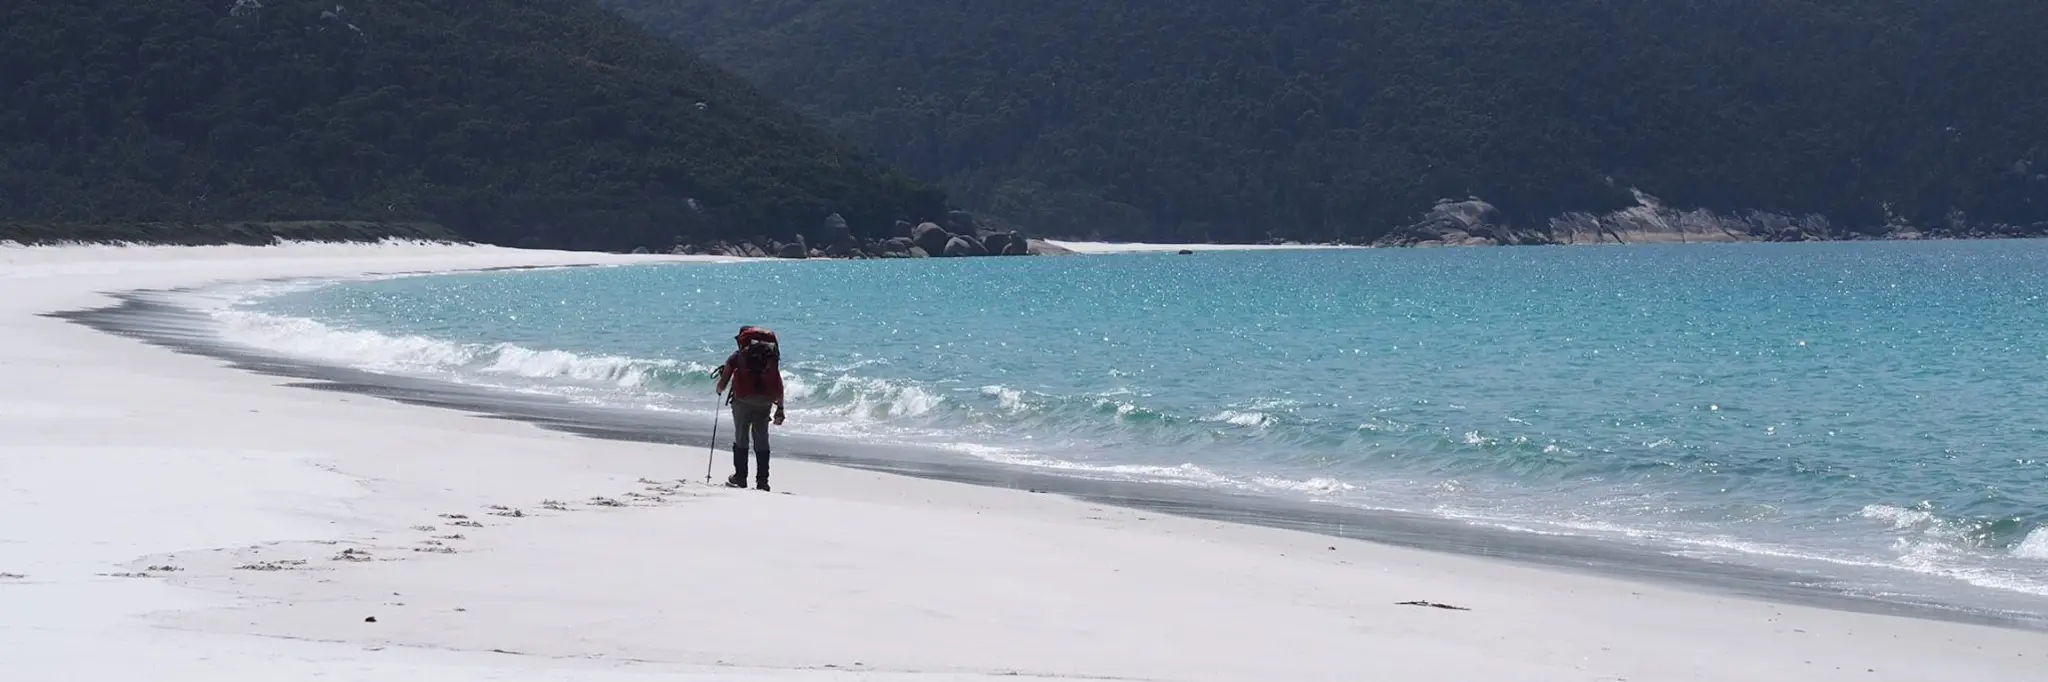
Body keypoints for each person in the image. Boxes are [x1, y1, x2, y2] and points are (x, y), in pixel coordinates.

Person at [714, 325, 784, 491]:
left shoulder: (738, 357)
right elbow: (778, 384)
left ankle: (740, 477)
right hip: (765, 401)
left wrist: (719, 389)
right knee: (761, 439)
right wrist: (780, 408)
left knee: (741, 436)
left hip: (743, 400)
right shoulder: (770, 357)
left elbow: (722, 384)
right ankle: (762, 481)